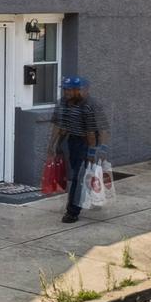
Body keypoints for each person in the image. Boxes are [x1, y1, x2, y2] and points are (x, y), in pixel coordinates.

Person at [51, 76, 106, 223]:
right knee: (76, 176)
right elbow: (58, 124)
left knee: (78, 178)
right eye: (65, 89)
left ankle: (72, 212)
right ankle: (83, 200)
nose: (67, 92)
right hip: (71, 141)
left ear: (79, 90)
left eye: (70, 89)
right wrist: (53, 145)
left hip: (86, 143)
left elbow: (92, 132)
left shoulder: (88, 106)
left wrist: (92, 152)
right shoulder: (62, 103)